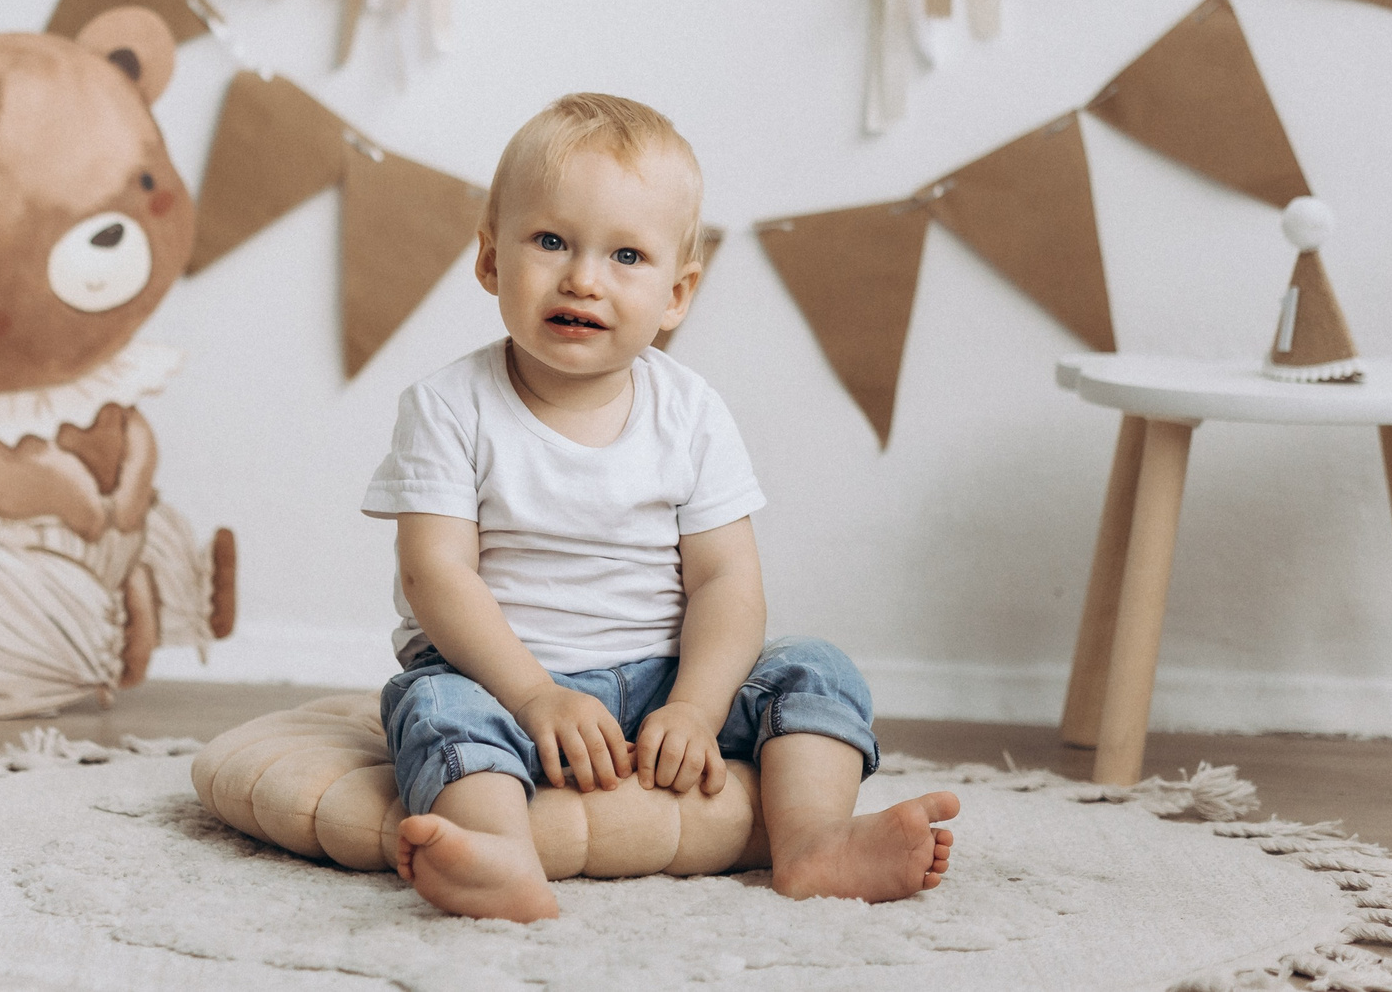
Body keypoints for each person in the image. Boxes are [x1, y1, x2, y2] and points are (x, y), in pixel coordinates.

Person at [360, 93, 957, 922]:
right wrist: (535, 697)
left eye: (627, 255)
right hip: (502, 679)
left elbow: (726, 584)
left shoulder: (691, 411)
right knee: (433, 707)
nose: (583, 276)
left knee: (814, 668)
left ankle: (817, 843)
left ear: (677, 294)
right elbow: (435, 574)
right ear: (491, 261)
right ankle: (498, 853)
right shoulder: (447, 405)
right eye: (550, 240)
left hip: (665, 677)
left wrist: (697, 707)